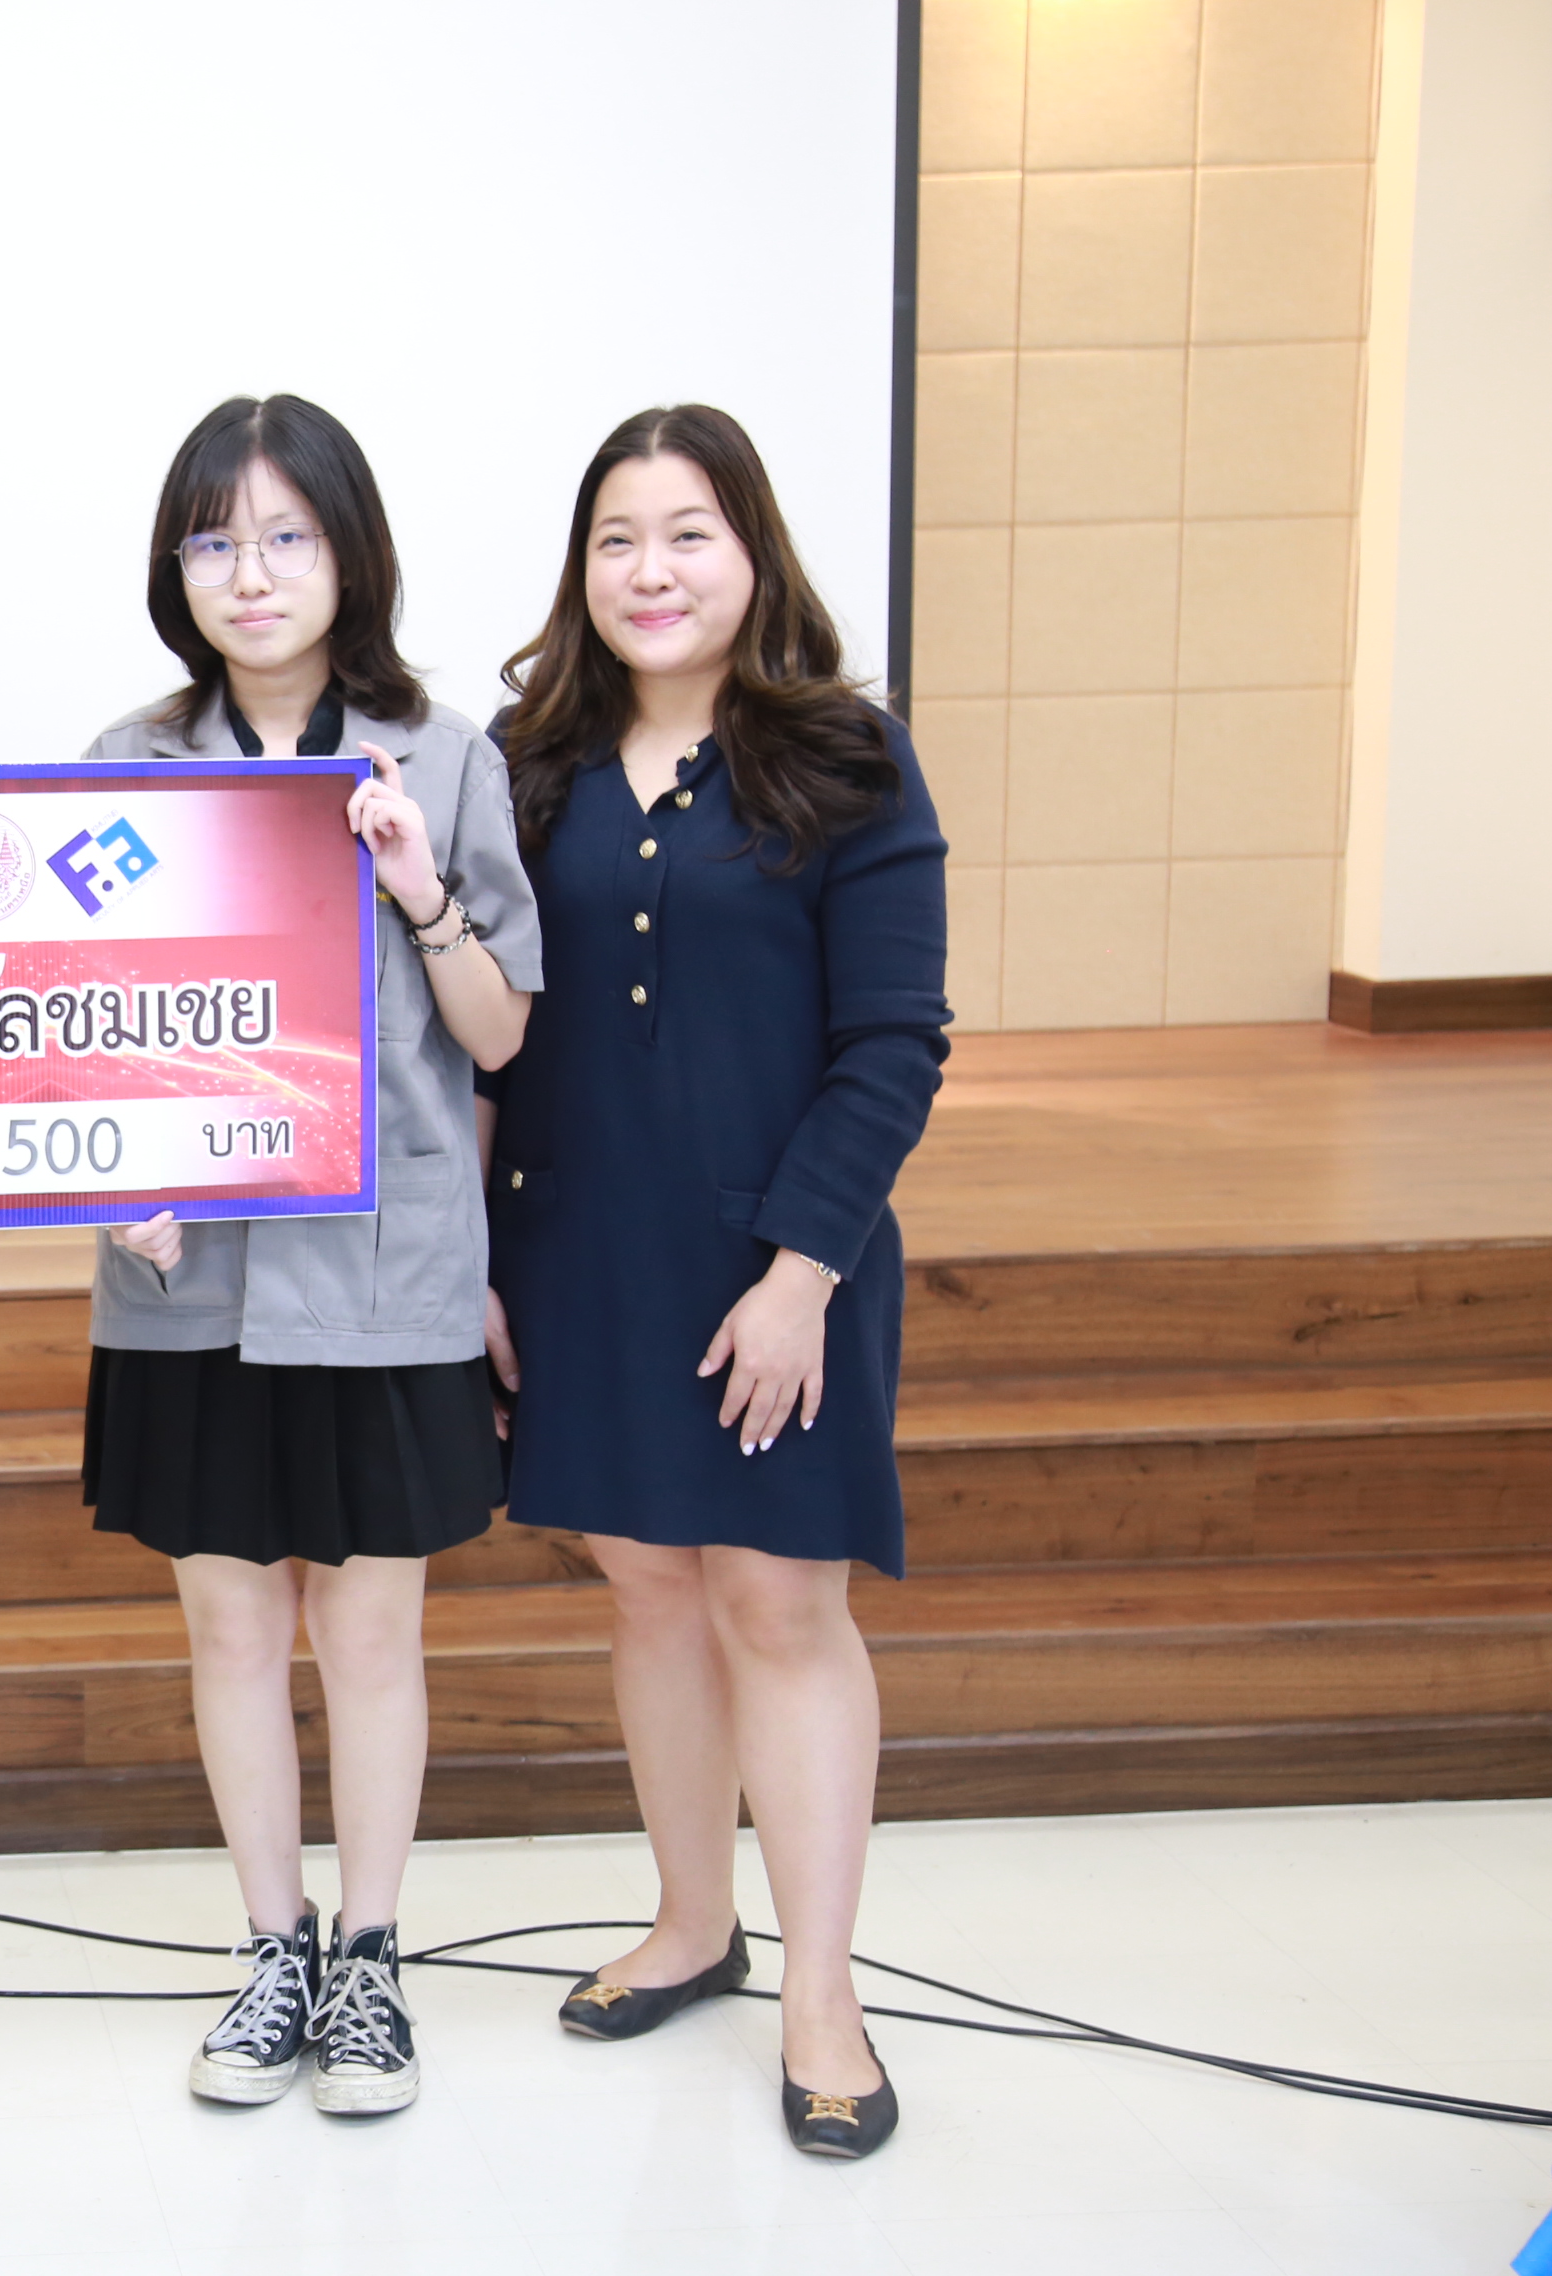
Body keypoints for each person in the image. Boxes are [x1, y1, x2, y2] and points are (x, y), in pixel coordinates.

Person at [481, 403, 949, 2160]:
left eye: (688, 533)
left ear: (753, 551)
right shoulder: (529, 766)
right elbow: (481, 1032)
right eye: (617, 538)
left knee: (779, 1606)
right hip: (581, 1250)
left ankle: (824, 1997)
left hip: (778, 1262)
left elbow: (894, 1042)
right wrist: (480, 1262)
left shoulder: (847, 757)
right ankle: (693, 1924)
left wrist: (803, 1271)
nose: (650, 570)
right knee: (652, 1596)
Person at [80, 396, 540, 2116]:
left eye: (285, 535)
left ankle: (370, 1960)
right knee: (227, 1626)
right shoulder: (126, 765)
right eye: (214, 540)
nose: (250, 573)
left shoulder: (445, 758)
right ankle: (270, 1951)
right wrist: (105, 1179)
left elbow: (499, 1035)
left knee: (369, 1633)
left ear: (350, 555)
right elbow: (78, 1026)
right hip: (186, 1273)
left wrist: (419, 887)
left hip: (378, 1267)